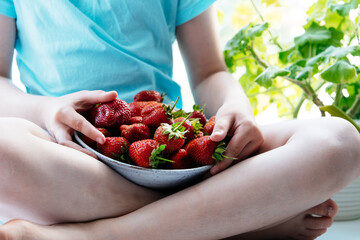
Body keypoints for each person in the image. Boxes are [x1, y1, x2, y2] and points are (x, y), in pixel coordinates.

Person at [0, 1, 359, 239]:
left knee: (339, 141)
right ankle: (242, 222)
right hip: (69, 155)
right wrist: (46, 109)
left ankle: (97, 235)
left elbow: (209, 72)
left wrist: (235, 104)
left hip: (177, 155)